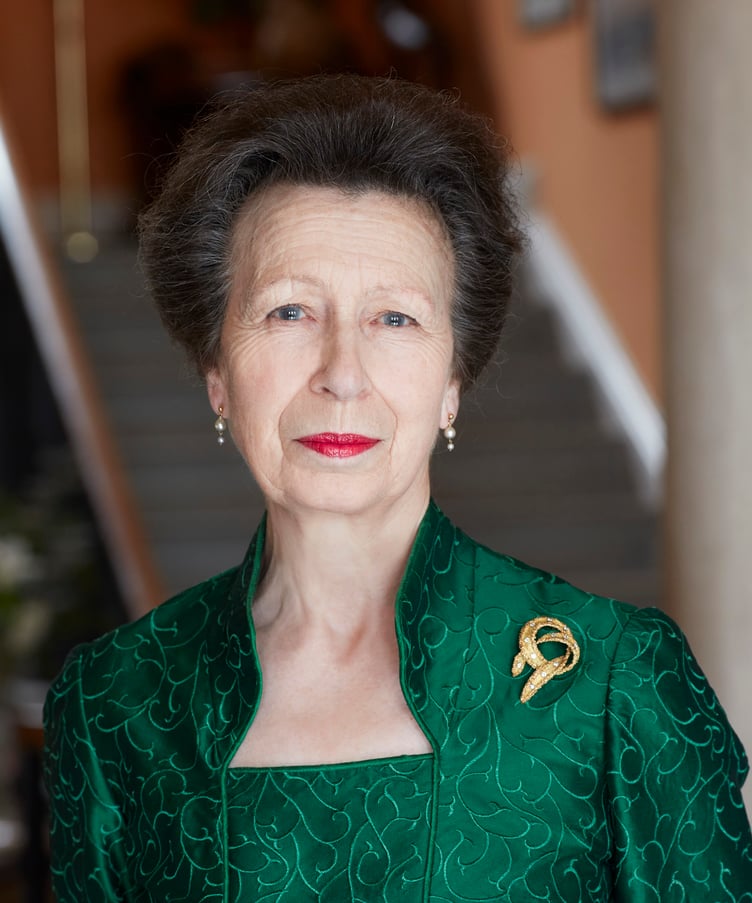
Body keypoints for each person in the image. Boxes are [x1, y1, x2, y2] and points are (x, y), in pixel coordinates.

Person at [43, 74, 752, 902]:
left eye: (395, 319)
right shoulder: (115, 703)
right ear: (217, 374)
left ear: (454, 378)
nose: (342, 374)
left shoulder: (614, 685)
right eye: (288, 312)